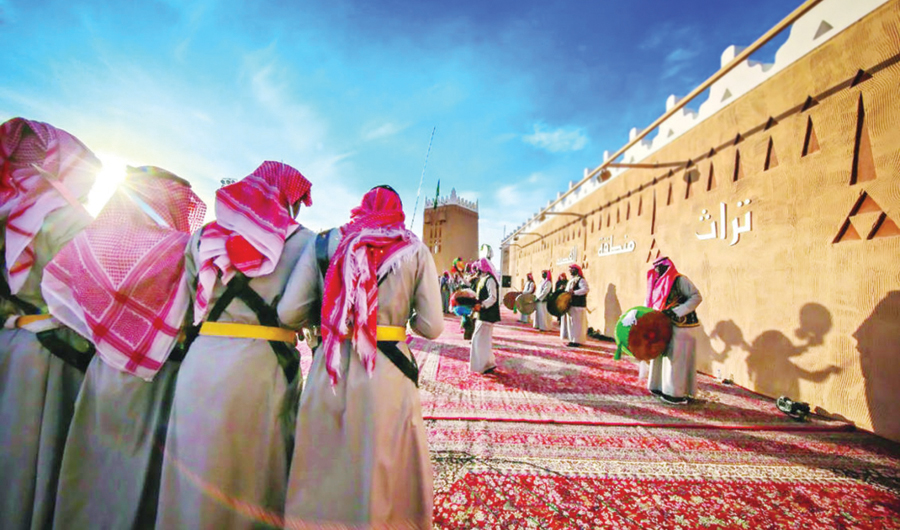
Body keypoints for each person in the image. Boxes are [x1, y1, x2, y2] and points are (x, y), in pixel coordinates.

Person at [44, 167, 206, 529]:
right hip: (158, 375)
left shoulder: (89, 243)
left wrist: (105, 336)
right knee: (137, 471)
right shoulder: (179, 249)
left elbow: (60, 294)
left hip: (102, 369)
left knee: (91, 459)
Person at [157, 161, 314, 528]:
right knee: (252, 478)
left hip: (201, 363)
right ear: (288, 198)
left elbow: (187, 306)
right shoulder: (304, 241)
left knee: (194, 472)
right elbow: (301, 313)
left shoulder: (203, 237)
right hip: (261, 367)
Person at [281, 185, 443, 529]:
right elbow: (432, 327)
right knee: (380, 467)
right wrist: (401, 318)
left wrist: (331, 314)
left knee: (323, 465)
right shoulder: (414, 248)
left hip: (331, 366)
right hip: (387, 372)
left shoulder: (323, 243)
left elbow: (290, 313)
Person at [0, 118, 100, 530]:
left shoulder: (7, 204)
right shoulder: (65, 216)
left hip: (7, 339)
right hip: (46, 352)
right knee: (27, 459)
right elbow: (89, 294)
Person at [645, 257, 703, 404]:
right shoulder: (656, 282)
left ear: (666, 266)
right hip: (661, 325)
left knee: (676, 359)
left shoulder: (680, 280)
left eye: (659, 267)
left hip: (680, 326)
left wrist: (677, 311)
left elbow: (696, 297)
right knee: (660, 356)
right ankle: (658, 386)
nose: (656, 270)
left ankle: (674, 393)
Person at [470, 257, 500, 374]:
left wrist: (482, 305)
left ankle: (483, 365)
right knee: (482, 340)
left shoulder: (490, 280)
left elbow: (493, 297)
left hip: (487, 315)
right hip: (481, 314)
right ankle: (488, 364)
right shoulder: (483, 279)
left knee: (479, 340)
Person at [563, 264, 590, 347]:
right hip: (571, 304)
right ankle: (572, 340)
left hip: (578, 305)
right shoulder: (572, 280)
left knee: (577, 324)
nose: (570, 271)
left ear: (576, 270)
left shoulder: (581, 280)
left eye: (572, 269)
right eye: (570, 269)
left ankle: (577, 341)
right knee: (571, 324)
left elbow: (585, 289)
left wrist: (574, 292)